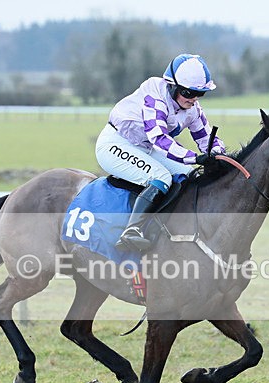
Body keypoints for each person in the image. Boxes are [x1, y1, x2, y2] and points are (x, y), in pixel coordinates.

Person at [95, 53, 226, 252]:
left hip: (145, 147)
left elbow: (207, 138)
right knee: (161, 176)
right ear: (172, 86)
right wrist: (195, 157)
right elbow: (160, 140)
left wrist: (216, 154)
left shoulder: (193, 108)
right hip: (116, 144)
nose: (194, 99)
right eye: (188, 93)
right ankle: (131, 231)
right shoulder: (155, 98)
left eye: (200, 93)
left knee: (189, 174)